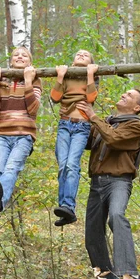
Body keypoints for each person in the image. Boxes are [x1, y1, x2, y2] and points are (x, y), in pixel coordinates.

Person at [75, 88, 140, 279]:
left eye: (130, 95)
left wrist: (93, 116)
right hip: (97, 182)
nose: (124, 94)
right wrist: (76, 120)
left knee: (116, 216)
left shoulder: (135, 126)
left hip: (119, 182)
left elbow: (113, 139)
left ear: (136, 107)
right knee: (92, 229)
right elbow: (88, 143)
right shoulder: (106, 122)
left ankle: (129, 274)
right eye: (124, 92)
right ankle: (106, 278)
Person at [0, 47, 42, 216]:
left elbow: (33, 109)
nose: (19, 56)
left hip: (24, 135)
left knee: (11, 168)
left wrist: (27, 81)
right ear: (11, 61)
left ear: (30, 62)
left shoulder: (35, 79)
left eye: (24, 55)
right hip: (3, 134)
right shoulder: (2, 79)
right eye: (16, 55)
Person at [50, 50, 99, 226]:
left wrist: (91, 75)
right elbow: (55, 97)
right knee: (63, 165)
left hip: (81, 126)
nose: (80, 55)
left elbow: (91, 97)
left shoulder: (90, 76)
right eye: (78, 54)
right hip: (64, 125)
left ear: (91, 63)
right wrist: (60, 77)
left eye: (86, 55)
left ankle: (68, 205)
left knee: (72, 164)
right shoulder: (67, 75)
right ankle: (64, 207)